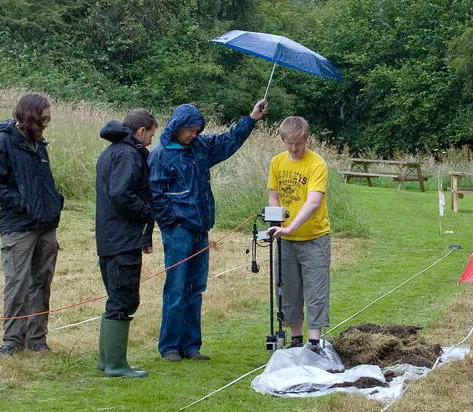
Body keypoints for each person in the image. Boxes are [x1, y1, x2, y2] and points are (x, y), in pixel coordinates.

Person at [149, 100, 268, 362]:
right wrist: (172, 222)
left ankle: (192, 346)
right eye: (190, 130)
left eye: (197, 129)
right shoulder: (160, 154)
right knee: (176, 287)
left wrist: (251, 119)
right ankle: (169, 346)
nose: (194, 134)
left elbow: (229, 141)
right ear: (177, 127)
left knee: (196, 288)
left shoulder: (201, 147)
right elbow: (156, 195)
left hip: (201, 229)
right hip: (178, 232)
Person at [0, 93, 64, 357]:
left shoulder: (40, 145)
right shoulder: (1, 143)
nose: (46, 125)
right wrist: (25, 204)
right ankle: (12, 341)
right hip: (18, 227)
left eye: (48, 120)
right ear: (28, 118)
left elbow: (44, 183)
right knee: (17, 283)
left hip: (46, 225)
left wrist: (53, 202)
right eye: (42, 120)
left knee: (42, 282)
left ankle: (37, 339)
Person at [94, 109, 158, 378]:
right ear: (141, 131)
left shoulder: (111, 152)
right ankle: (116, 365)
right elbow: (122, 194)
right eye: (151, 135)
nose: (151, 142)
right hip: (122, 239)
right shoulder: (128, 154)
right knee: (123, 299)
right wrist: (146, 212)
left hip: (111, 237)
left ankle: (106, 360)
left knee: (116, 297)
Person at [266, 116, 331, 351]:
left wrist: (291, 227)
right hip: (285, 239)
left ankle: (314, 341)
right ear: (283, 141)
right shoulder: (277, 162)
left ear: (307, 139)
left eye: (299, 144)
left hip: (314, 238)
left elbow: (314, 201)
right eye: (289, 144)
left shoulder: (317, 164)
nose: (294, 148)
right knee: (287, 289)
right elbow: (274, 194)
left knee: (315, 289)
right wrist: (276, 223)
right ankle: (295, 339)